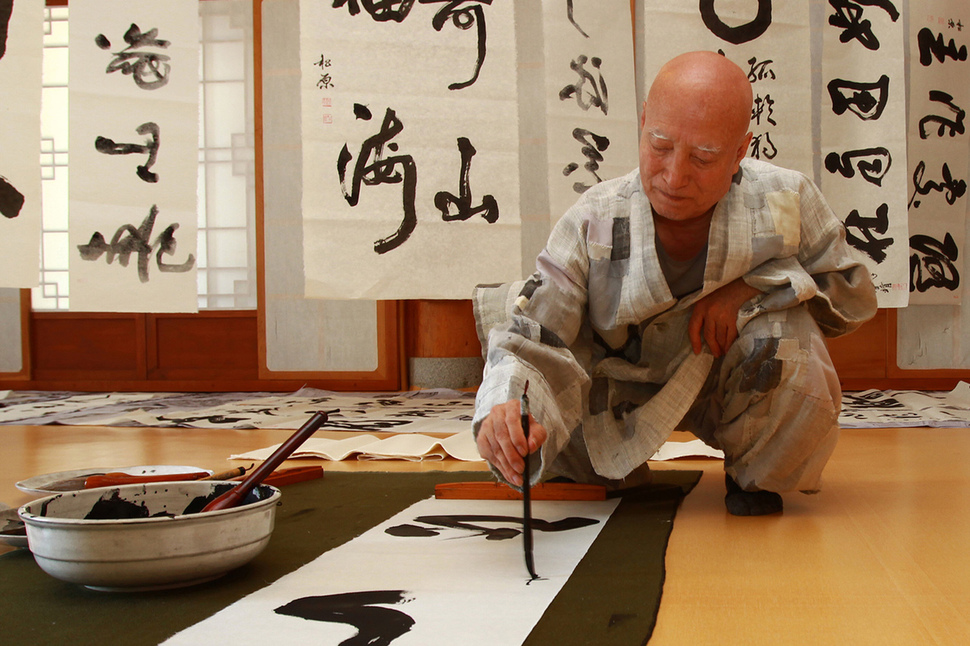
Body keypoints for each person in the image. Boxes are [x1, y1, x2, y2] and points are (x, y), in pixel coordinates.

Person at [471, 51, 878, 516]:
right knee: (540, 408)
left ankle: (754, 476)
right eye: (659, 145)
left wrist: (752, 290)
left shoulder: (783, 199)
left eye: (704, 158)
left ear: (741, 151)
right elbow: (541, 331)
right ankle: (595, 462)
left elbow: (850, 289)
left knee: (788, 342)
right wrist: (507, 406)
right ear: (643, 124)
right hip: (612, 391)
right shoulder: (597, 217)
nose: (674, 175)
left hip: (724, 379)